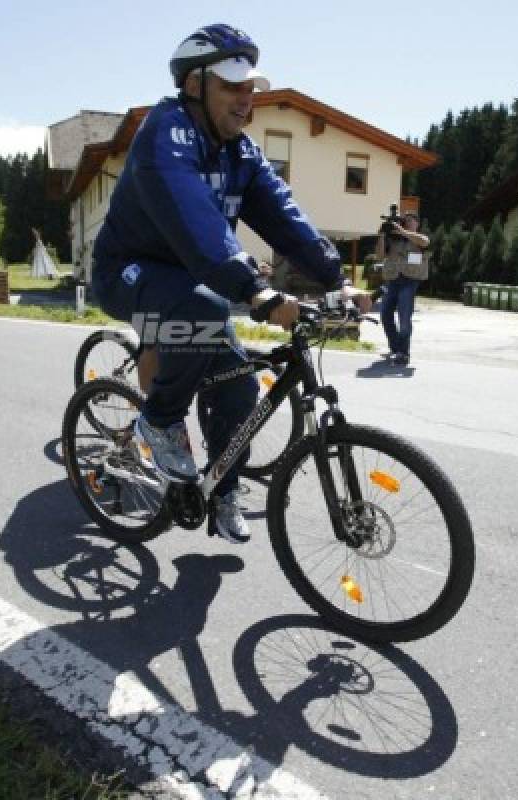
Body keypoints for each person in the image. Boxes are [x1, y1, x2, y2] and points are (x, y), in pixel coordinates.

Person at [91, 24, 371, 544]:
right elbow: (196, 219)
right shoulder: (166, 131)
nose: (246, 102)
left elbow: (285, 215)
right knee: (200, 311)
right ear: (194, 84)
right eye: (232, 88)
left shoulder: (239, 151)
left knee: (239, 385)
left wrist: (337, 278)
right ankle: (159, 420)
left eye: (250, 90)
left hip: (192, 278)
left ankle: (220, 491)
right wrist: (255, 289)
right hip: (128, 270)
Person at [375, 211, 430, 365]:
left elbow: (425, 242)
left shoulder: (419, 239)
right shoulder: (393, 239)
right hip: (392, 280)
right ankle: (395, 348)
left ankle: (403, 353)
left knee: (404, 317)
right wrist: (382, 235)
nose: (407, 222)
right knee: (385, 315)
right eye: (405, 220)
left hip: (410, 281)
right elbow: (379, 256)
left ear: (417, 224)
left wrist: (403, 231)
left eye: (411, 220)